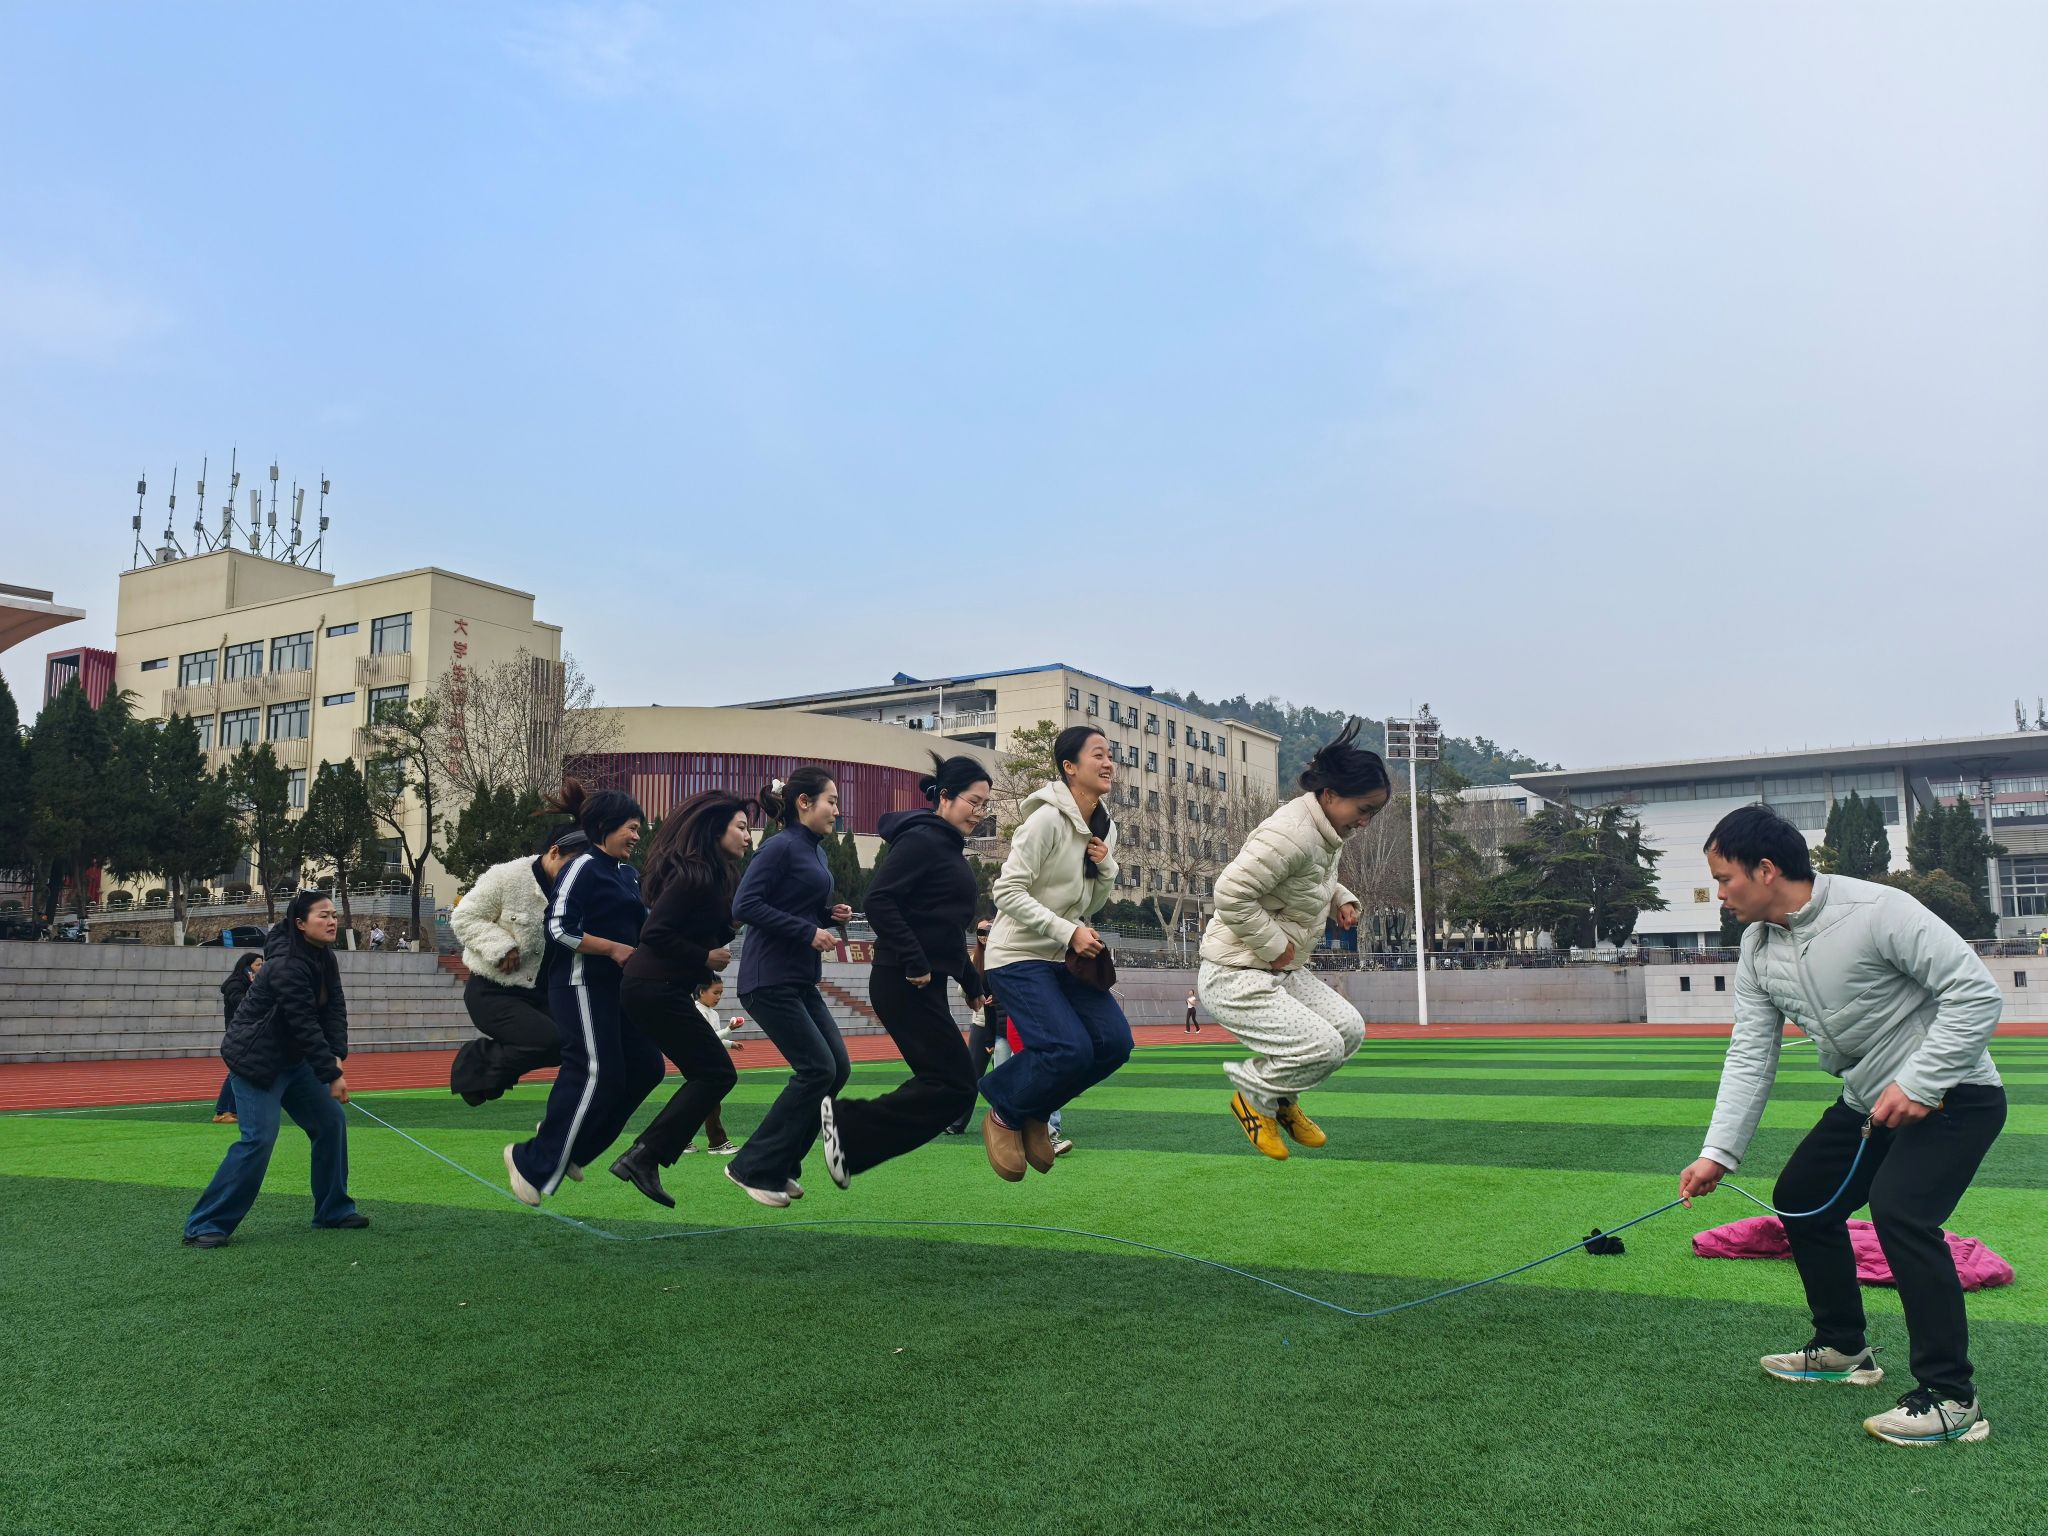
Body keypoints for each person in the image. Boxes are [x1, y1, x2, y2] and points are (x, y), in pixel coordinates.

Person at [1678, 805, 2006, 1448]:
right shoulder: (1757, 947)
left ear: (1765, 870)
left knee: (1901, 1213)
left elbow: (1976, 993)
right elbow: (1751, 1052)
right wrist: (1718, 1152)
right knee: (1802, 1198)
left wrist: (1921, 1082)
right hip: (1867, 1101)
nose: (1719, 894)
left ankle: (1952, 1397)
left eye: (1724, 879)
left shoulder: (1878, 910)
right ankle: (1843, 1348)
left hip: (1957, 1095)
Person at [1198, 719, 1384, 1160]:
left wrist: (1340, 898)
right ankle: (1253, 1098)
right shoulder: (1291, 833)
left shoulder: (1326, 830)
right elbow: (1230, 892)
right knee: (1321, 1047)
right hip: (1235, 971)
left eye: (1372, 813)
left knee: (1348, 1030)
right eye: (1363, 810)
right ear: (1331, 794)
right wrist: (1272, 945)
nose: (1365, 821)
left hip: (1278, 968)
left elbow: (1306, 877)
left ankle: (1281, 1099)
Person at [819, 754, 992, 1189]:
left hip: (924, 982)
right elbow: (879, 900)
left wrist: (971, 982)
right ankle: (848, 1127)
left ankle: (850, 1135)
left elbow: (944, 928)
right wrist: (914, 959)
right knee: (954, 1083)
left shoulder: (947, 846)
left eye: (985, 805)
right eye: (973, 801)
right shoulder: (922, 840)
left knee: (952, 1083)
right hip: (903, 980)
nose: (979, 812)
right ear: (945, 796)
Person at [976, 725, 1129, 1181]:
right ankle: (1005, 1112)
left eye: (1110, 755)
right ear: (1069, 767)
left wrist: (1106, 868)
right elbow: (1006, 891)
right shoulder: (1045, 820)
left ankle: (1036, 1110)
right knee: (1068, 1048)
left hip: (1063, 956)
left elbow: (1090, 903)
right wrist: (1068, 931)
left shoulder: (1105, 826)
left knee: (1114, 1044)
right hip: (1017, 954)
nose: (1108, 763)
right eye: (1098, 755)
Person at [503, 781, 661, 1207]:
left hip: (620, 989)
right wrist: (611, 949)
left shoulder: (627, 873)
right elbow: (557, 928)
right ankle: (530, 1160)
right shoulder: (582, 867)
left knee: (647, 1068)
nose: (637, 835)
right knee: (595, 1070)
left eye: (638, 827)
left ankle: (574, 1147)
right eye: (631, 827)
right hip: (581, 984)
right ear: (606, 826)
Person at [183, 890, 365, 1246]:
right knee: (259, 1140)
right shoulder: (285, 964)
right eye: (323, 916)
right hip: (257, 1061)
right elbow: (303, 1022)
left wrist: (337, 1055)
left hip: (295, 1061)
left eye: (334, 915)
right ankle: (205, 1224)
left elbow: (335, 1008)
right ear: (300, 924)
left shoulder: (325, 956)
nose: (332, 922)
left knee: (331, 1123)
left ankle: (333, 1209)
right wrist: (331, 1074)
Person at [609, 791, 751, 1209]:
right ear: (716, 829)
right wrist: (703, 957)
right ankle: (643, 1156)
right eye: (741, 827)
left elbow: (710, 930)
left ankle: (644, 1156)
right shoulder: (694, 876)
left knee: (712, 1074)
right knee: (715, 1073)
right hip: (652, 988)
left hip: (661, 989)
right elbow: (654, 934)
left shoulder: (718, 876)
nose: (748, 837)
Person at [723, 768, 853, 1208]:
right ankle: (751, 1166)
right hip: (769, 979)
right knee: (817, 1069)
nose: (836, 810)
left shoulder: (815, 852)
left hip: (799, 979)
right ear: (803, 803)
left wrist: (828, 916)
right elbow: (745, 904)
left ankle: (782, 1164)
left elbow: (796, 907)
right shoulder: (779, 847)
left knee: (837, 1068)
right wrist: (807, 931)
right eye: (831, 801)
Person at [448, 825, 590, 1105]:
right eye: (573, 867)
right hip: (494, 991)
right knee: (550, 1040)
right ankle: (474, 1062)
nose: (578, 877)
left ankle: (493, 1083)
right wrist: (502, 946)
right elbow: (464, 918)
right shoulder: (505, 877)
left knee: (577, 1044)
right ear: (554, 852)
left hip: (546, 993)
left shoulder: (579, 890)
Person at [942, 921, 998, 1135]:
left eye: (988, 931)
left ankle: (1012, 1123)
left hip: (1006, 1024)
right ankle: (957, 1122)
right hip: (982, 1023)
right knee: (971, 1074)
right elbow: (962, 990)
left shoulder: (1004, 955)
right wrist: (975, 992)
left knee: (1009, 1074)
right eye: (981, 932)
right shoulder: (975, 959)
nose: (984, 935)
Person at [683, 977, 744, 1156]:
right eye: (715, 992)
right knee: (709, 1102)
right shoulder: (695, 1010)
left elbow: (714, 1038)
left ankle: (682, 1139)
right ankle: (717, 1142)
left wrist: (730, 1044)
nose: (718, 997)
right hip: (699, 1062)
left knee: (700, 1102)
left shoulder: (713, 1013)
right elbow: (707, 1038)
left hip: (708, 1061)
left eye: (720, 993)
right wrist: (729, 1030)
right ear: (701, 992)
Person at [211, 952, 263, 1123]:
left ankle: (231, 1110)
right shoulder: (235, 985)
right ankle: (223, 1111)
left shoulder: (251, 984)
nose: (262, 968)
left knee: (241, 1070)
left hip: (249, 1031)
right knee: (237, 1070)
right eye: (258, 965)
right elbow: (242, 1003)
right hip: (239, 1032)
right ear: (247, 968)